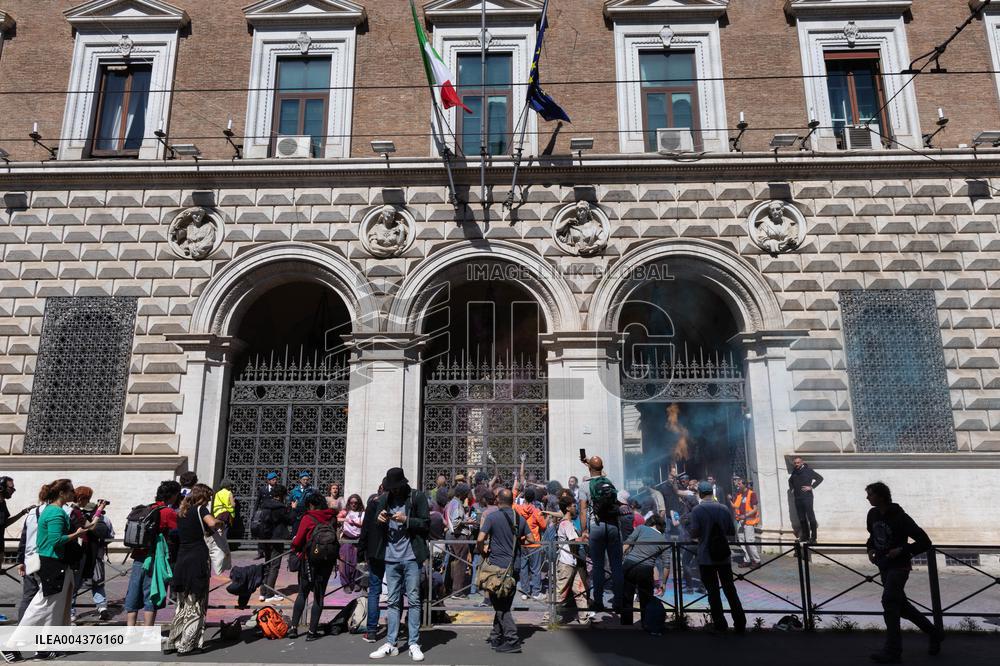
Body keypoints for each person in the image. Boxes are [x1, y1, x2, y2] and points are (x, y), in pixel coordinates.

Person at [11, 480, 95, 660]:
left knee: (53, 608)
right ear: (63, 492)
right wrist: (77, 534)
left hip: (55, 563)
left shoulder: (51, 510)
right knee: (41, 606)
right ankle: (12, 645)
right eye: (71, 490)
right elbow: (55, 540)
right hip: (54, 564)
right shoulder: (56, 512)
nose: (74, 493)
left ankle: (44, 648)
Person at [865, 482, 943, 664]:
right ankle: (935, 634)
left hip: (899, 567)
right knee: (902, 607)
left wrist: (902, 550)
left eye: (870, 494)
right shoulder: (872, 514)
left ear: (881, 496)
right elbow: (872, 536)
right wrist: (869, 549)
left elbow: (925, 542)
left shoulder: (901, 518)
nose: (867, 498)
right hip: (883, 565)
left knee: (890, 603)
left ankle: (893, 651)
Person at [363, 468, 429, 662]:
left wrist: (407, 520)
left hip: (411, 557)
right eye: (391, 488)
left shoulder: (417, 497)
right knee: (392, 601)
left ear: (402, 485)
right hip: (390, 557)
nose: (394, 491)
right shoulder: (384, 499)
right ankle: (391, 643)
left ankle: (413, 643)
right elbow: (376, 527)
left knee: (414, 600)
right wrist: (380, 520)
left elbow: (426, 523)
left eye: (396, 487)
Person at [165, 484, 224, 655]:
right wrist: (220, 522)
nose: (209, 501)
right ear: (202, 497)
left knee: (182, 604)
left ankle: (173, 642)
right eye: (208, 497)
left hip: (182, 559)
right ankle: (187, 645)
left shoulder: (182, 512)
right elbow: (213, 523)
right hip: (197, 559)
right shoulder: (201, 510)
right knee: (196, 603)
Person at [477, 488, 529, 653]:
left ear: (498, 500)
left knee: (500, 606)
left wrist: (482, 550)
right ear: (513, 501)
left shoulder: (492, 517)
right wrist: (515, 538)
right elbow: (531, 539)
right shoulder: (519, 518)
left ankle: (512, 640)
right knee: (504, 602)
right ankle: (496, 636)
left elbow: (480, 538)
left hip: (496, 568)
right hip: (514, 566)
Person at [689, 481, 745, 633]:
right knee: (730, 589)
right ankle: (740, 623)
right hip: (723, 556)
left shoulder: (697, 510)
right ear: (712, 493)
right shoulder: (724, 508)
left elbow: (694, 533)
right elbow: (730, 531)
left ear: (700, 493)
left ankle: (720, 624)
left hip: (706, 557)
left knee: (713, 591)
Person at [125, 480, 180, 627]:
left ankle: (130, 630)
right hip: (155, 557)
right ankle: (148, 632)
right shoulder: (167, 512)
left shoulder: (148, 508)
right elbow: (178, 530)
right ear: (173, 495)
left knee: (134, 590)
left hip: (138, 556)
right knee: (152, 591)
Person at [577, 456, 624, 613]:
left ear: (589, 468)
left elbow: (583, 510)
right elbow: (598, 472)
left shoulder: (584, 486)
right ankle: (619, 601)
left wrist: (584, 530)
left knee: (598, 566)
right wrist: (589, 463)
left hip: (595, 526)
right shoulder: (609, 482)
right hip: (612, 525)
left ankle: (598, 601)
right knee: (616, 565)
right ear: (602, 467)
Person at [290, 494, 338, 641]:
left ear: (310, 504)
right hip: (326, 562)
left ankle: (293, 628)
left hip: (308, 561)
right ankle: (312, 632)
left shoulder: (308, 517)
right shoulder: (332, 517)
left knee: (303, 593)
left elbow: (298, 541)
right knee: (319, 595)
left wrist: (295, 547)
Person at [66, 486, 112, 622]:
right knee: (73, 584)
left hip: (76, 551)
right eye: (87, 499)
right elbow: (92, 527)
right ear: (81, 498)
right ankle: (69, 614)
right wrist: (98, 510)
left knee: (74, 584)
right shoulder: (75, 512)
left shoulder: (71, 510)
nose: (88, 502)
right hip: (76, 552)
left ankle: (69, 613)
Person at [622, 514, 670, 628]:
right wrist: (663, 583)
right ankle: (646, 623)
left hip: (629, 565)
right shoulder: (664, 540)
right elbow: (666, 565)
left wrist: (621, 560)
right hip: (646, 570)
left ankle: (626, 625)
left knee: (627, 596)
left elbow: (627, 543)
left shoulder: (640, 528)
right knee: (645, 598)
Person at [548, 494, 590, 625]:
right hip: (567, 562)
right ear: (567, 508)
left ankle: (584, 617)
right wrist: (584, 538)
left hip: (573, 561)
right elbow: (574, 542)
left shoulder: (568, 522)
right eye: (573, 505)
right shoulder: (566, 524)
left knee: (580, 589)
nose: (575, 507)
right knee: (561, 590)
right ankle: (548, 616)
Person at [257, 484, 292, 603]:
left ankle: (263, 592)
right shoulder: (280, 507)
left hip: (266, 539)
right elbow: (290, 520)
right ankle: (269, 594)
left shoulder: (265, 505)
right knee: (274, 566)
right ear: (281, 495)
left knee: (267, 564)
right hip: (277, 539)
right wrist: (293, 508)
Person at [444, 483, 472, 598]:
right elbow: (456, 523)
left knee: (453, 562)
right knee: (461, 564)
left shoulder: (451, 502)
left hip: (450, 535)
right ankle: (458, 591)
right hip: (457, 536)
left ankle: (450, 588)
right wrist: (468, 522)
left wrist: (465, 519)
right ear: (463, 494)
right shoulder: (457, 504)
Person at [789, 457, 823, 544]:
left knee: (811, 517)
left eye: (798, 463)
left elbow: (820, 478)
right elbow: (790, 481)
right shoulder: (795, 472)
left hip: (807, 497)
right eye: (795, 463)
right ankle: (805, 536)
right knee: (802, 518)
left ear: (802, 462)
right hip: (798, 498)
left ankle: (813, 537)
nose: (796, 464)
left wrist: (811, 487)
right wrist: (792, 488)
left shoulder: (808, 470)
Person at [731, 478, 761, 568]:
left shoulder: (751, 494)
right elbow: (735, 507)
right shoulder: (739, 495)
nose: (737, 485)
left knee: (749, 541)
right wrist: (729, 500)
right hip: (740, 521)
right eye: (737, 484)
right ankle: (747, 559)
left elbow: (755, 509)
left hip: (748, 521)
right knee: (742, 541)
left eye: (739, 484)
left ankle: (756, 560)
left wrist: (746, 516)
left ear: (744, 484)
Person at [338, 494, 364, 592]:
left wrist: (357, 524)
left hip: (357, 539)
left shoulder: (362, 513)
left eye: (355, 503)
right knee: (344, 562)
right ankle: (345, 584)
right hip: (346, 539)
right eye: (351, 502)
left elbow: (364, 524)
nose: (353, 504)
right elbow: (336, 518)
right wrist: (346, 519)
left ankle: (357, 582)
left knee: (356, 561)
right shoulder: (346, 512)